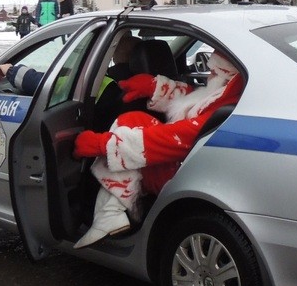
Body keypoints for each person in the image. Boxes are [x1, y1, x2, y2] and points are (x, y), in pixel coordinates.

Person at [71, 51, 244, 248]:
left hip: (184, 175)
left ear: (226, 75)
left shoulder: (226, 105)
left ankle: (110, 213)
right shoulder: (225, 96)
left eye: (213, 71)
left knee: (129, 139)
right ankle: (111, 212)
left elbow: (177, 138)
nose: (209, 73)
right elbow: (196, 98)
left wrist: (103, 144)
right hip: (193, 167)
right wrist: (154, 87)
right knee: (133, 120)